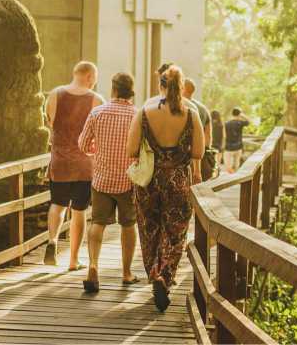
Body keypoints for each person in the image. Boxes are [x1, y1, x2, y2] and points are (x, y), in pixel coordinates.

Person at [126, 65, 204, 312]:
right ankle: (165, 276)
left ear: (160, 85)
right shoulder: (191, 115)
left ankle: (154, 273)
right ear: (181, 87)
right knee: (175, 233)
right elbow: (198, 152)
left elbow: (131, 150)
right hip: (178, 182)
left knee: (150, 230)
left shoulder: (145, 112)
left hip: (149, 182)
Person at [78, 72, 139, 292]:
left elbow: (83, 145)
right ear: (131, 91)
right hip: (128, 180)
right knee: (128, 224)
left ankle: (93, 266)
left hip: (102, 179)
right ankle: (126, 273)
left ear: (113, 89)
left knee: (97, 223)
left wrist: (97, 150)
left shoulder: (98, 112)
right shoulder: (137, 115)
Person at [44, 61, 104, 270]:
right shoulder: (96, 100)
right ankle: (73, 260)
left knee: (57, 204)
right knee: (79, 211)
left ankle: (52, 241)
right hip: (84, 165)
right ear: (89, 76)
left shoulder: (55, 94)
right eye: (94, 78)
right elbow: (99, 133)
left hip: (59, 162)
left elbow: (51, 123)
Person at [183, 78, 215, 181]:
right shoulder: (203, 109)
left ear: (182, 89)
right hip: (199, 154)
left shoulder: (180, 106)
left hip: (182, 156)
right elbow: (208, 135)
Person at [224, 107, 250, 173]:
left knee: (228, 166)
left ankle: (230, 176)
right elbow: (248, 121)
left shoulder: (227, 123)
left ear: (232, 114)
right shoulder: (240, 123)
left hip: (228, 147)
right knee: (236, 165)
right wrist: (242, 115)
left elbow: (224, 135)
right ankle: (234, 177)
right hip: (238, 147)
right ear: (239, 114)